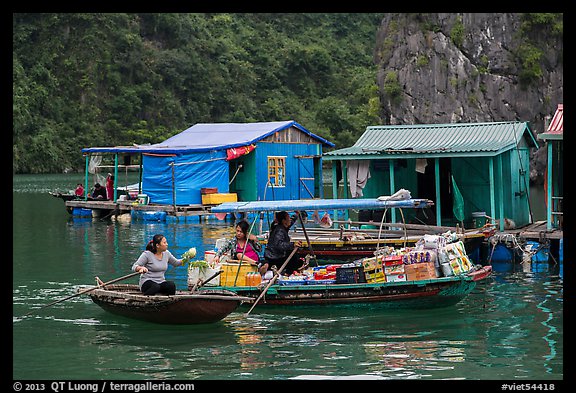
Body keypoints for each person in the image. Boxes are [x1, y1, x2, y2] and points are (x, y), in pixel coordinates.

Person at [260, 211, 303, 276]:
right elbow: (279, 245)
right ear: (284, 221)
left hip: (273, 255)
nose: (290, 220)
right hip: (275, 257)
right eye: (288, 218)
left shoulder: (283, 226)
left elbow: (291, 221)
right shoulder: (280, 231)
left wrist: (297, 215)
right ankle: (286, 273)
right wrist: (293, 244)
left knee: (299, 260)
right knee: (294, 257)